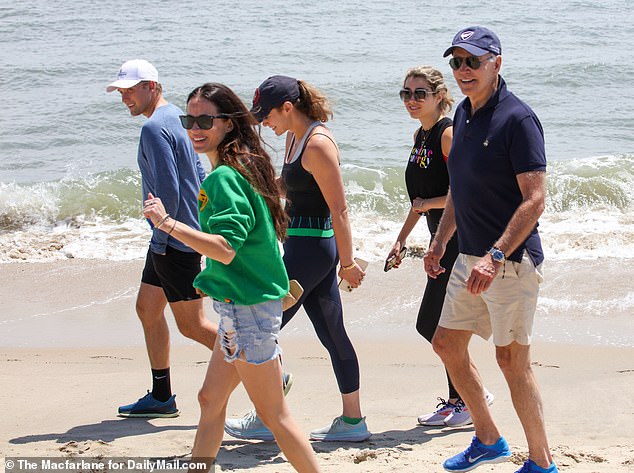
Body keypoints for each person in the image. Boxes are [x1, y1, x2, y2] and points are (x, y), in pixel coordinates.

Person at [143, 82, 321, 473]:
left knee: (275, 416)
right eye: (189, 119)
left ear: (228, 123)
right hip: (241, 311)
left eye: (206, 119)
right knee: (210, 399)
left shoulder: (223, 178)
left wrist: (167, 223)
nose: (195, 127)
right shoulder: (242, 165)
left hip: (247, 312)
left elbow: (224, 248)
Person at [424, 27, 558, 473]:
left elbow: (535, 198)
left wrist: (496, 254)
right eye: (457, 62)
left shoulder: (517, 119)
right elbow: (459, 190)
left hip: (510, 262)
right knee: (446, 344)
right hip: (469, 258)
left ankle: (542, 462)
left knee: (511, 361)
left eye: (473, 61)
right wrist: (441, 241)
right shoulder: (462, 114)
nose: (464, 70)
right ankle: (488, 439)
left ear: (496, 63)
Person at [224, 75, 371, 442]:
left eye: (267, 116)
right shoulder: (294, 138)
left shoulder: (318, 144)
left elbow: (339, 210)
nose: (264, 124)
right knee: (332, 332)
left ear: (288, 108)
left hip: (314, 251)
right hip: (303, 249)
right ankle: (353, 422)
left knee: (262, 324)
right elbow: (289, 185)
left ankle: (266, 413)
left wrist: (348, 263)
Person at [106, 59, 217, 418]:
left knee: (192, 325)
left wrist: (171, 232)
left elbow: (168, 189)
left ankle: (268, 369)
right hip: (176, 235)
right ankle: (162, 395)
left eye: (131, 89)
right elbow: (198, 176)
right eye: (121, 91)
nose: (125, 97)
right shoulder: (178, 120)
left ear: (152, 87)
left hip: (174, 240)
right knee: (147, 308)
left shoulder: (154, 128)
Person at [387, 65, 493, 428]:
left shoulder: (447, 135)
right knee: (438, 323)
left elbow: (465, 193)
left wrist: (428, 209)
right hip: (439, 239)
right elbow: (419, 197)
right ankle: (464, 395)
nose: (411, 101)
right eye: (406, 94)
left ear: (438, 96)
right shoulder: (421, 135)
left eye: (419, 94)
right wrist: (401, 238)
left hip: (458, 240)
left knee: (431, 322)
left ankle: (464, 397)